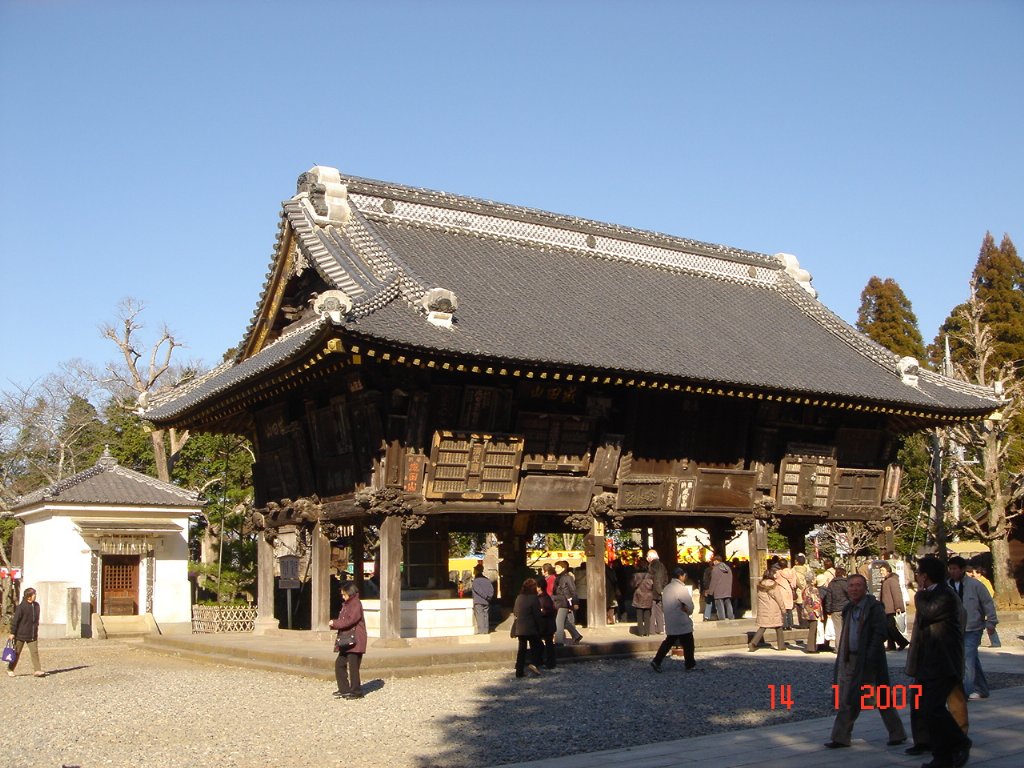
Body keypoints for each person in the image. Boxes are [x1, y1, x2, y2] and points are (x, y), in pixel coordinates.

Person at [824, 573, 907, 750]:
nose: (854, 589)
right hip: (851, 659)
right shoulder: (848, 609)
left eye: (858, 585)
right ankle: (840, 736)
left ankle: (897, 732)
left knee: (882, 698)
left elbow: (880, 633)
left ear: (865, 587)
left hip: (870, 659)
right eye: (851, 585)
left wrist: (870, 657)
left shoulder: (874, 607)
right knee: (848, 697)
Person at [905, 557, 972, 768]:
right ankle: (942, 753)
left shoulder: (943, 594)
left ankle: (959, 742)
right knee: (926, 708)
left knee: (934, 708)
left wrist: (919, 594)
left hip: (942, 661)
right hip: (929, 661)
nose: (917, 577)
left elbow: (929, 612)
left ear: (925, 575)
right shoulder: (934, 593)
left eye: (919, 573)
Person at [947, 555, 998, 700]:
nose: (952, 572)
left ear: (963, 569)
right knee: (971, 658)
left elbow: (987, 604)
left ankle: (965, 691)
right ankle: (982, 688)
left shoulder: (976, 585)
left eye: (955, 569)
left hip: (973, 627)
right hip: (955, 628)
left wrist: (991, 622)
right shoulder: (947, 586)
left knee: (967, 659)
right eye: (950, 569)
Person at [650, 567, 695, 672]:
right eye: (684, 575)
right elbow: (689, 605)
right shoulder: (680, 588)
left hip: (670, 618)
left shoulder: (667, 588)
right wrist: (688, 610)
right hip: (681, 619)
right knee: (688, 642)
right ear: (681, 576)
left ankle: (657, 660)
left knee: (669, 641)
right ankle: (690, 664)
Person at [329, 581, 367, 699]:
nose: (343, 597)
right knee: (339, 664)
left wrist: (335, 623)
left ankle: (356, 691)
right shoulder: (348, 604)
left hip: (355, 639)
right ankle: (344, 689)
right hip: (348, 639)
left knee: (353, 667)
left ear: (349, 593)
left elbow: (350, 620)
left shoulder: (355, 604)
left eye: (344, 594)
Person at [6, 587, 44, 678]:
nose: (35, 596)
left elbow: (36, 620)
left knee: (34, 652)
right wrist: (12, 633)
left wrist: (36, 630)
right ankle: (10, 669)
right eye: (34, 594)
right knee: (16, 653)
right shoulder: (21, 607)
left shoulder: (36, 606)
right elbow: (15, 621)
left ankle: (37, 670)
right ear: (29, 596)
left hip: (32, 635)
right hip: (20, 635)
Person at [748, 569, 786, 652]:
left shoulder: (760, 585)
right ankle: (781, 645)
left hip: (763, 608)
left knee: (763, 626)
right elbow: (779, 599)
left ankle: (753, 643)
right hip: (773, 609)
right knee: (778, 627)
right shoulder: (774, 586)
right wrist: (783, 609)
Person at [512, 578, 544, 677]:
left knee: (522, 650)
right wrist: (541, 627)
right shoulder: (534, 598)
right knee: (538, 646)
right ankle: (534, 664)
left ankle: (519, 671)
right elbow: (537, 614)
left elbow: (515, 612)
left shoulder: (519, 597)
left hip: (520, 627)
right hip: (531, 627)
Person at [879, 562, 909, 651]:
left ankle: (902, 642)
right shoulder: (886, 580)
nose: (881, 572)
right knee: (888, 627)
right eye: (880, 571)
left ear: (888, 570)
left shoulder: (891, 580)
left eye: (882, 570)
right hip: (887, 608)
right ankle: (891, 645)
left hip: (891, 608)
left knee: (890, 627)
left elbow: (897, 594)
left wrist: (898, 606)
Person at [552, 560, 583, 645]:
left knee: (558, 622)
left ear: (563, 568)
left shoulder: (567, 577)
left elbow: (573, 590)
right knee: (565, 622)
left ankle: (558, 642)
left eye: (558, 567)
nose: (556, 569)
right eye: (555, 567)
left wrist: (575, 602)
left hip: (564, 602)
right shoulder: (557, 578)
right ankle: (576, 635)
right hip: (558, 601)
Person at [825, 566, 850, 650]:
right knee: (846, 628)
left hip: (835, 609)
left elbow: (829, 598)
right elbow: (850, 596)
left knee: (838, 629)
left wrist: (828, 610)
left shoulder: (831, 584)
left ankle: (838, 647)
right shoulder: (846, 583)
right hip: (846, 608)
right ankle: (847, 646)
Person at [704, 554, 734, 621]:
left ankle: (722, 619)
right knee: (728, 603)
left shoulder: (716, 569)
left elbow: (713, 581)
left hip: (718, 590)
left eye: (713, 561)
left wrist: (710, 592)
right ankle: (731, 617)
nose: (713, 563)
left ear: (716, 561)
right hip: (727, 590)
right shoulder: (728, 568)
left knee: (720, 605)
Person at [536, 577, 557, 669]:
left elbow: (547, 611)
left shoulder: (544, 598)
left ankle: (549, 662)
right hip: (546, 624)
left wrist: (539, 612)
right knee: (546, 643)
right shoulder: (543, 597)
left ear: (539, 587)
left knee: (548, 644)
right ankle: (546, 661)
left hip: (546, 624)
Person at [647, 550, 669, 634]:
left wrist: (658, 589)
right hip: (660, 590)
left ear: (650, 557)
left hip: (653, 590)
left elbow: (655, 579)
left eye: (647, 556)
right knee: (659, 610)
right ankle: (660, 629)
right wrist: (663, 589)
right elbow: (665, 577)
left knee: (652, 610)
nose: (647, 558)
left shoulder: (652, 565)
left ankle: (651, 629)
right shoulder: (662, 565)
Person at [631, 559, 654, 636]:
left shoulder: (635, 575)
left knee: (639, 615)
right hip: (648, 595)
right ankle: (647, 632)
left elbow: (632, 585)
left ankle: (640, 632)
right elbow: (653, 585)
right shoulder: (650, 575)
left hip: (639, 595)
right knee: (647, 615)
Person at [470, 564, 494, 634]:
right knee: (485, 615)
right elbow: (491, 590)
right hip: (486, 601)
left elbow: (478, 590)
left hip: (478, 601)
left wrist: (485, 596)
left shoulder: (476, 581)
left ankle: (481, 631)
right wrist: (489, 597)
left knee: (480, 616)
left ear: (477, 571)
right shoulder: (487, 580)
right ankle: (486, 630)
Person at [801, 580, 823, 653]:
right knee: (813, 630)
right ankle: (811, 648)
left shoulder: (805, 588)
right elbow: (816, 601)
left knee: (812, 629)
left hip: (806, 610)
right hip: (813, 612)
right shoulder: (813, 589)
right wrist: (818, 613)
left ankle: (812, 647)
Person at [775, 558, 796, 629]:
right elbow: (794, 583)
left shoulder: (778, 573)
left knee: (783, 608)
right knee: (789, 608)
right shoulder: (792, 572)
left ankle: (784, 624)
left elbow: (775, 581)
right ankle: (790, 624)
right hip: (789, 591)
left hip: (781, 591)